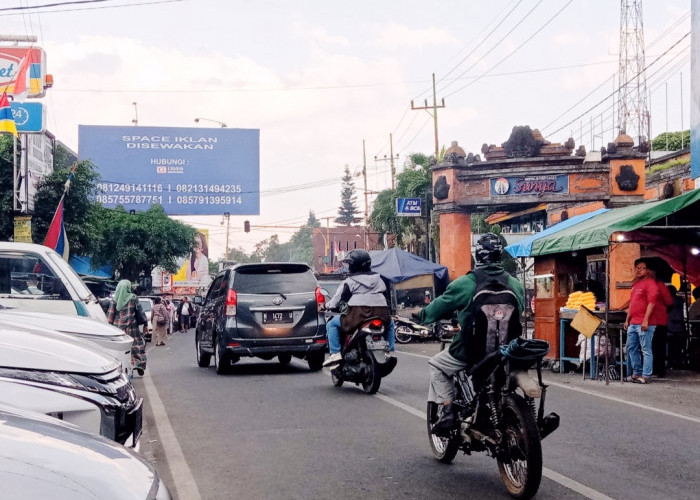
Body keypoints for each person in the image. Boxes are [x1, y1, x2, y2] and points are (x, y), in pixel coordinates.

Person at [417, 233, 525, 434]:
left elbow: (436, 308)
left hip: (472, 351)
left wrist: (421, 315)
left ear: (478, 256)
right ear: (500, 256)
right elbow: (520, 309)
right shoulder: (515, 283)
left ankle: (448, 411)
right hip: (507, 351)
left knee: (436, 365)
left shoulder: (465, 283)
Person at [322, 249, 395, 367]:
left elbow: (337, 300)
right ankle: (390, 351)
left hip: (358, 315)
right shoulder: (379, 279)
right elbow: (386, 297)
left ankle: (335, 353)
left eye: (350, 264)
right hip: (381, 313)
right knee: (390, 324)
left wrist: (326, 306)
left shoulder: (349, 281)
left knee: (331, 324)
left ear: (354, 265)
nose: (349, 267)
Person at [623, 258, 658, 384]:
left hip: (645, 323)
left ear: (647, 270)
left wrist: (645, 320)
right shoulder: (636, 285)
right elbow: (632, 303)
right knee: (631, 347)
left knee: (645, 349)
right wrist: (627, 319)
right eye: (636, 268)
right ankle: (636, 373)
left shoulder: (651, 284)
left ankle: (646, 375)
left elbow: (651, 303)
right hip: (633, 323)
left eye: (641, 268)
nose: (638, 270)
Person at [107, 280, 149, 376]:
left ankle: (120, 367)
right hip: (132, 328)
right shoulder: (133, 298)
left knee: (120, 349)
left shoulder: (114, 300)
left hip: (118, 329)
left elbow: (110, 315)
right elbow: (140, 312)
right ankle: (139, 365)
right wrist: (145, 324)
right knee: (137, 347)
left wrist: (109, 328)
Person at [648, 268, 673, 378]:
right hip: (650, 320)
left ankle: (658, 370)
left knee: (656, 347)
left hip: (658, 321)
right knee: (653, 347)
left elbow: (669, 302)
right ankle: (654, 370)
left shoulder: (659, 285)